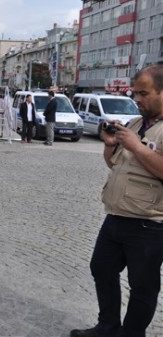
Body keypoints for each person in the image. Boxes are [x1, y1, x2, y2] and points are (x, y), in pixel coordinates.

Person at [70, 62, 163, 337]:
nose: (137, 99)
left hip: (150, 223)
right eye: (135, 93)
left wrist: (136, 145)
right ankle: (108, 326)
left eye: (144, 94)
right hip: (117, 215)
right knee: (101, 268)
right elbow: (117, 165)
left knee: (142, 286)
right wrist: (110, 147)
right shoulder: (136, 124)